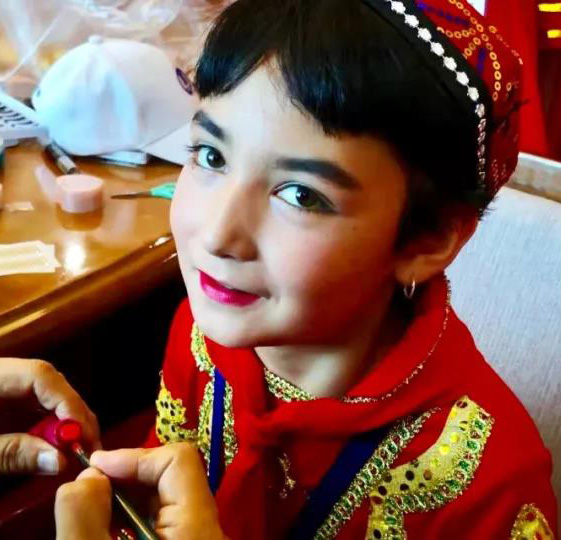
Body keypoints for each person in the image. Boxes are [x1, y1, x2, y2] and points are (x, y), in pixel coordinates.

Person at [140, 0, 557, 539]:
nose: (218, 236)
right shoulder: (207, 332)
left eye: (301, 194)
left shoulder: (490, 487)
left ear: (428, 240)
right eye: (211, 156)